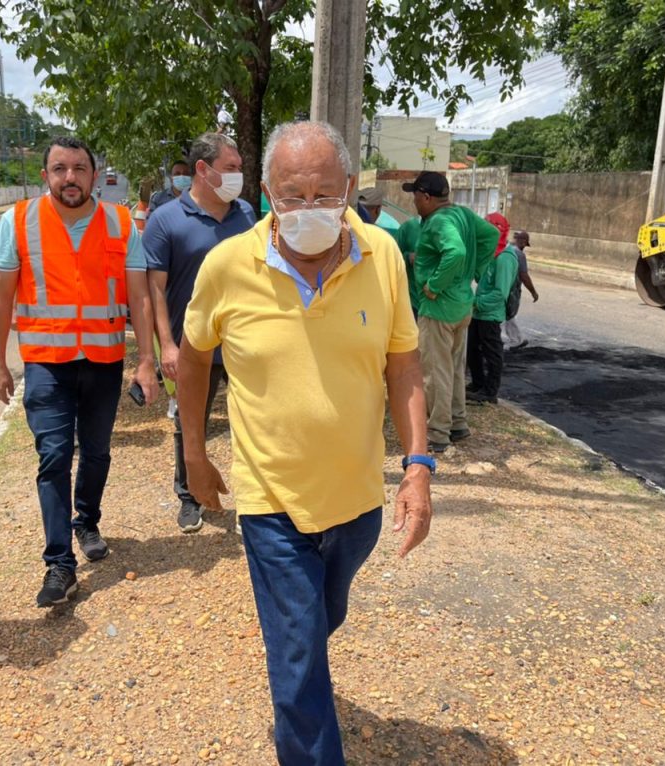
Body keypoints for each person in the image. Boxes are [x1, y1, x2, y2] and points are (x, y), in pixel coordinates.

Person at [179, 120, 433, 766]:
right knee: (296, 655)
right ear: (266, 193)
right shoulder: (226, 266)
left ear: (350, 188)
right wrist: (194, 454)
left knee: (319, 622)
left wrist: (418, 468)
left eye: (325, 194)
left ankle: (301, 685)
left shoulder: (385, 259)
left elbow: (403, 366)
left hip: (355, 503)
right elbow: (194, 358)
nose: (309, 209)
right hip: (271, 502)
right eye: (293, 195)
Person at [0, 136, 159, 608]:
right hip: (46, 364)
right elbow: (2, 296)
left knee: (98, 452)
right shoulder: (18, 221)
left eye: (79, 168)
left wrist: (146, 360)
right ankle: (59, 562)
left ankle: (87, 520)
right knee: (54, 457)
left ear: (93, 174)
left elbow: (138, 296)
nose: (69, 177)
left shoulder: (121, 223)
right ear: (45, 175)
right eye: (59, 168)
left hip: (103, 362)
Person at [143, 132, 255, 533]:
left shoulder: (246, 214)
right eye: (231, 168)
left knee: (254, 422)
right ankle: (189, 495)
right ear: (203, 171)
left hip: (244, 344)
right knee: (190, 421)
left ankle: (254, 498)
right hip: (192, 347)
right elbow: (154, 288)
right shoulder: (165, 220)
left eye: (240, 169)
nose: (239, 176)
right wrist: (167, 346)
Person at [407, 171, 498, 453]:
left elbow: (456, 252)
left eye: (415, 197)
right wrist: (475, 271)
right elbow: (492, 235)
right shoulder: (463, 215)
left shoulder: (438, 221)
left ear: (425, 196)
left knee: (435, 372)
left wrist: (434, 285)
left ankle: (437, 432)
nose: (413, 203)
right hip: (461, 305)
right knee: (455, 368)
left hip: (439, 307)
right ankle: (458, 423)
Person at [467, 213, 520, 404]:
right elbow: (481, 279)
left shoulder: (505, 258)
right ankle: (477, 384)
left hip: (490, 313)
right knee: (472, 349)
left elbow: (500, 293)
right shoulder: (490, 254)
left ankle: (490, 392)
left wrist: (476, 303)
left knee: (492, 352)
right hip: (478, 311)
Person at [503, 229, 539, 350]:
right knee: (508, 313)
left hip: (502, 285)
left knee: (505, 314)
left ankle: (516, 339)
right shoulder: (519, 253)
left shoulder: (505, 248)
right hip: (511, 289)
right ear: (523, 242)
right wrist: (533, 292)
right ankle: (514, 340)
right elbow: (524, 275)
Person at [393, 214, 422, 320]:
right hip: (410, 301)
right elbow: (392, 258)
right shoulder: (409, 227)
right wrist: (408, 257)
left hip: (435, 307)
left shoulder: (445, 230)